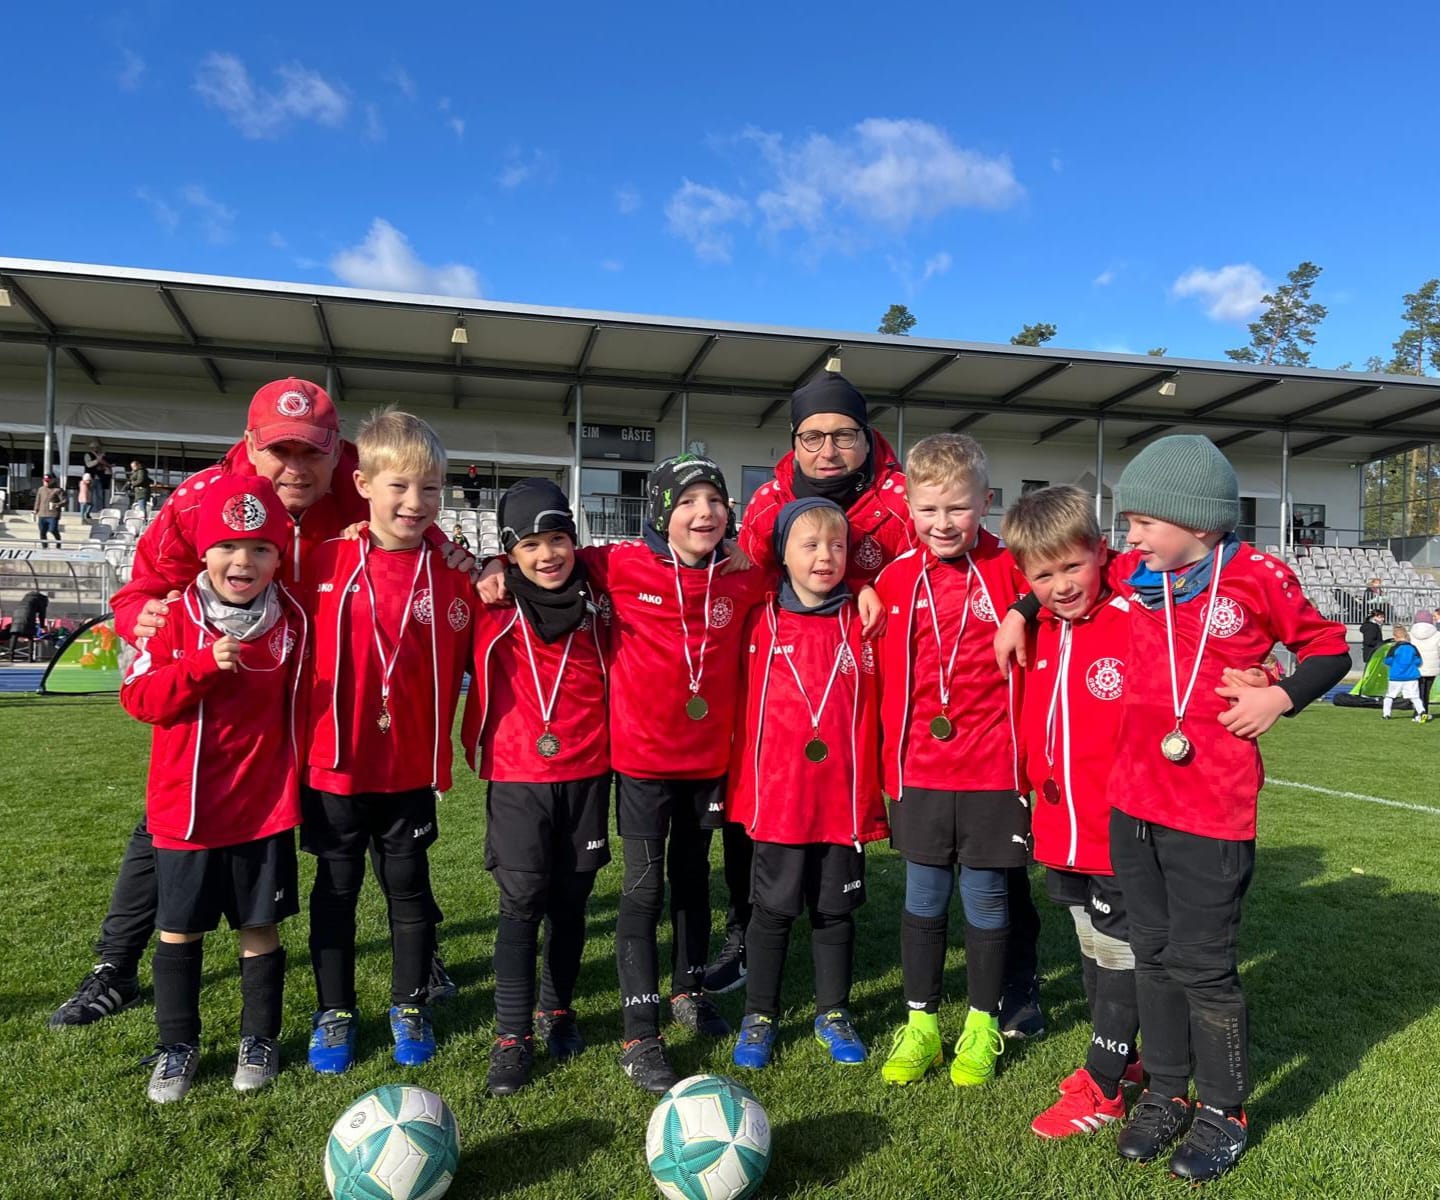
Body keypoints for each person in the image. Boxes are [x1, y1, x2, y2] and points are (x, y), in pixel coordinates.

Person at [50, 377, 465, 1031]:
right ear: (250, 444)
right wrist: (153, 623)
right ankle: (114, 968)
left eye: (313, 453)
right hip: (233, 700)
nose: (296, 469)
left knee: (391, 823)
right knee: (169, 821)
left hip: (328, 701)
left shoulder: (373, 478)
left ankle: (423, 959)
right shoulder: (198, 501)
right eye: (280, 452)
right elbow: (138, 593)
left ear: (342, 454)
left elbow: (429, 541)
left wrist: (467, 561)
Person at [1067, 434, 1348, 1180]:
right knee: (1152, 954)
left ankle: (1225, 1109)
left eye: (1142, 523)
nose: (1128, 539)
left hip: (1211, 809)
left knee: (1202, 963)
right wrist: (1015, 617)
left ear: (1196, 520)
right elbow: (1055, 578)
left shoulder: (1257, 576)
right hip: (1132, 801)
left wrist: (1277, 695)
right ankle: (1165, 1091)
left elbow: (1328, 649)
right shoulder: (1134, 575)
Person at [718, 368, 913, 997]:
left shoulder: (903, 500)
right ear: (794, 440)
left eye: (843, 436)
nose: (828, 451)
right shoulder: (768, 501)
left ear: (867, 435)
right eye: (812, 438)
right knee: (756, 825)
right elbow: (746, 576)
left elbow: (925, 569)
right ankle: (744, 931)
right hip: (784, 668)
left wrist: (865, 590)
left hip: (862, 666)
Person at [118, 475, 308, 1102]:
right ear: (203, 553)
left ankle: (260, 1040)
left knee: (260, 930)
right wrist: (199, 666)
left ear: (280, 557)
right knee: (180, 931)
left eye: (260, 548)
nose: (242, 561)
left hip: (263, 811)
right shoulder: (173, 616)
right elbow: (139, 699)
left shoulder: (294, 623)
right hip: (185, 813)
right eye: (228, 546)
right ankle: (178, 1046)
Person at [302, 409, 473, 1073]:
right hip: (336, 765)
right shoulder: (326, 559)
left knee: (408, 891)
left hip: (407, 769)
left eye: (430, 489)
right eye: (399, 486)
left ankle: (409, 1003)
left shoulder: (456, 574)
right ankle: (334, 1010)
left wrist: (475, 562)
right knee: (335, 893)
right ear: (364, 485)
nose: (415, 502)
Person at [875, 433, 1033, 1089]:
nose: (943, 524)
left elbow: (1087, 565)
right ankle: (920, 1024)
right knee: (924, 896)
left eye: (959, 509)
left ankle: (981, 1020)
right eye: (930, 509)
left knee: (988, 897)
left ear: (986, 504)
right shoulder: (891, 579)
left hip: (996, 769)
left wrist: (1025, 606)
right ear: (909, 507)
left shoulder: (1015, 568)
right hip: (920, 770)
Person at [460, 478, 610, 1096]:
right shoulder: (489, 604)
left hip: (588, 771)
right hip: (520, 775)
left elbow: (653, 554)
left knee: (572, 906)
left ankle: (557, 1008)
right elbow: (431, 560)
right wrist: (484, 567)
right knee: (522, 906)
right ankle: (511, 1034)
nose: (547, 555)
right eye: (528, 545)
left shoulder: (602, 595)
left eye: (558, 539)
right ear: (508, 551)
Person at [1002, 486, 1144, 1137]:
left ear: (1100, 553)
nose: (1060, 585)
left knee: (1119, 956)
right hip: (1062, 829)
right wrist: (1020, 608)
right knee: (1092, 949)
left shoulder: (1132, 612)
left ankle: (1106, 1086)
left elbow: (1141, 570)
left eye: (1073, 567)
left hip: (1122, 832)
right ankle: (1124, 1056)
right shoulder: (1038, 623)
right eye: (1043, 575)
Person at [727, 498, 887, 1071]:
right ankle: (760, 1014)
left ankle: (833, 1011)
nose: (826, 557)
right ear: (781, 555)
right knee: (770, 912)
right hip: (780, 798)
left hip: (841, 799)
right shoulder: (759, 617)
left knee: (834, 912)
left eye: (838, 546)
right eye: (810, 545)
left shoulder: (866, 620)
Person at [1382, 625, 1425, 722]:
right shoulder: (1413, 648)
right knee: (1415, 697)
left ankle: (1386, 714)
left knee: (1389, 696)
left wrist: (1395, 664)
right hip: (1411, 676)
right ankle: (1421, 711)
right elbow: (1418, 662)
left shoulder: (1394, 648)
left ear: (1395, 637)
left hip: (1396, 677)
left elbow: (1387, 661)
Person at [1407, 613, 1437, 717]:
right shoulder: (1437, 634)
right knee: (1427, 691)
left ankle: (1418, 711)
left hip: (1415, 666)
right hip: (1432, 667)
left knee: (1417, 690)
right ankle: (1425, 710)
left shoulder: (1410, 634)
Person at [33, 473, 65, 545]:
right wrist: (35, 509)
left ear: (52, 480)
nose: (46, 482)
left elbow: (65, 501)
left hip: (53, 514)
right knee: (42, 532)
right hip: (42, 514)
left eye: (48, 481)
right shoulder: (41, 489)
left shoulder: (58, 490)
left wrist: (57, 504)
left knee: (53, 529)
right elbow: (38, 500)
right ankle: (44, 546)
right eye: (45, 481)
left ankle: (58, 542)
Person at [84, 441, 111, 507]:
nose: (96, 449)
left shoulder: (99, 455)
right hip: (90, 478)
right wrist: (98, 460)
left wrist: (104, 466)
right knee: (90, 494)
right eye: (95, 447)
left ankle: (99, 508)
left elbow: (102, 464)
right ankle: (90, 509)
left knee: (100, 495)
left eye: (97, 447)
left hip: (99, 477)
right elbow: (89, 465)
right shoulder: (88, 455)